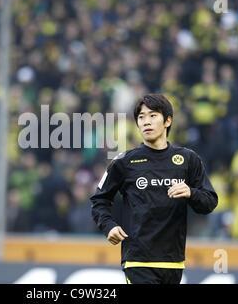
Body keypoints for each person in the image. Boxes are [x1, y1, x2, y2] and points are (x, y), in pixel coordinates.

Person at [90, 94, 218, 284]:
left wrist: (191, 192)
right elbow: (99, 200)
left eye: (152, 116)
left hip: (173, 262)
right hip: (137, 260)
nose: (146, 122)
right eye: (141, 117)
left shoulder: (188, 160)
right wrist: (109, 225)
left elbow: (209, 202)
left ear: (168, 121)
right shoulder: (124, 162)